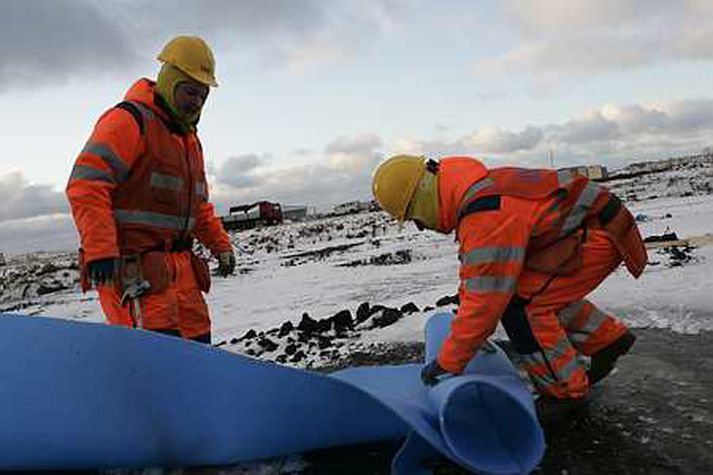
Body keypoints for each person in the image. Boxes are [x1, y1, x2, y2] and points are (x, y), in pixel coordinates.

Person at [371, 155, 646, 415]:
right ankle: (606, 340)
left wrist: (449, 362)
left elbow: (486, 300)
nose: (419, 227)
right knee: (534, 293)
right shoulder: (478, 192)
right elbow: (480, 278)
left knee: (522, 306)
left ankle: (565, 393)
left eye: (412, 217)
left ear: (423, 198)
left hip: (596, 236)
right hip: (588, 228)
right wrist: (466, 321)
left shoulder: (485, 215)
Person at [66, 36, 235, 344]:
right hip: (137, 274)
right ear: (169, 81)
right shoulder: (129, 121)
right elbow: (87, 185)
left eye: (202, 95)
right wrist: (100, 250)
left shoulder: (189, 141)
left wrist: (220, 245)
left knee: (200, 353)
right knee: (154, 365)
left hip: (181, 273)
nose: (196, 102)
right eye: (189, 91)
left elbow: (198, 207)